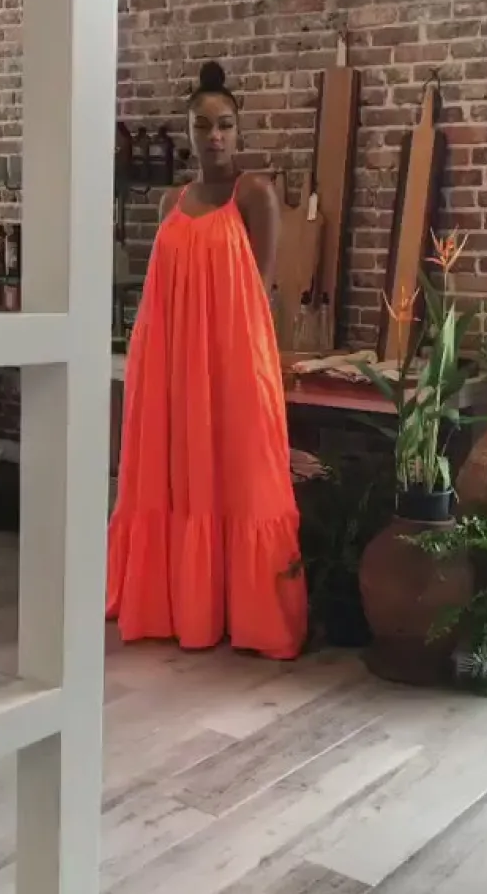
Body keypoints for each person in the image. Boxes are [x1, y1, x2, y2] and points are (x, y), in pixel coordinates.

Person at [107, 61, 307, 660]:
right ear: (188, 132)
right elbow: (161, 294)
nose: (214, 136)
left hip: (234, 359)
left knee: (245, 476)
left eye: (224, 125)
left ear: (238, 132)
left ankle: (251, 615)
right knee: (175, 474)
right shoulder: (170, 201)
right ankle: (176, 603)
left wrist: (255, 368)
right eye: (202, 126)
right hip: (170, 362)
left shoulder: (256, 194)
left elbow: (260, 291)